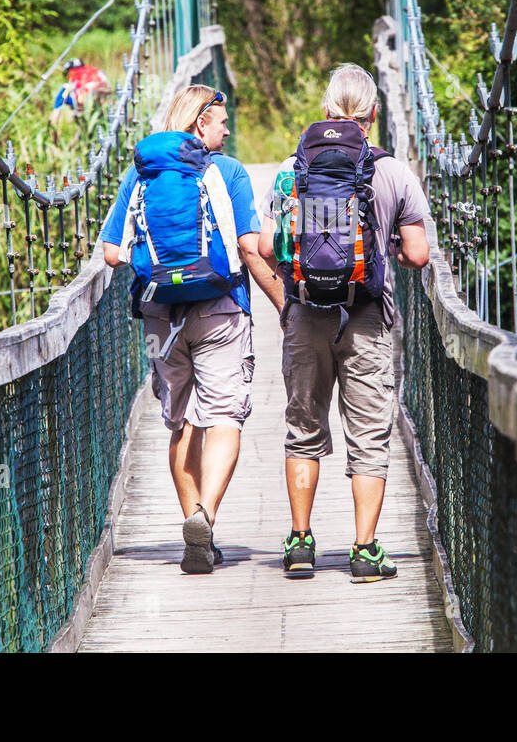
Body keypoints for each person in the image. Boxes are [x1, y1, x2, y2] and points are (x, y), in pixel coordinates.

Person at [256, 63, 430, 582]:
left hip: (306, 316)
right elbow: (419, 255)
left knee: (303, 429)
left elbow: (265, 248)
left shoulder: (292, 169)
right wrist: (389, 245)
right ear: (374, 115)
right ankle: (364, 550)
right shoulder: (392, 171)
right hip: (366, 317)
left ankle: (301, 543)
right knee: (369, 436)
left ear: (325, 111)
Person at [101, 84, 281, 574]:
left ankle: (193, 532)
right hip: (221, 309)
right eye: (221, 121)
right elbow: (249, 248)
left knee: (181, 421)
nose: (227, 129)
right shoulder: (226, 171)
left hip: (161, 314)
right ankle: (205, 516)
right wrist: (286, 306)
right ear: (201, 123)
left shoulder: (141, 173)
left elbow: (112, 253)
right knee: (224, 415)